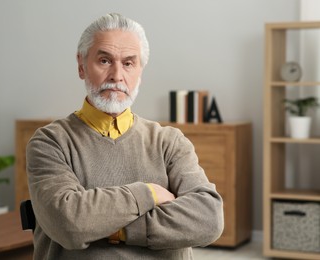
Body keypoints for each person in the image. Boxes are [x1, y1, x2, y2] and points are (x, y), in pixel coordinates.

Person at [26, 13, 224, 260]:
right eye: (105, 61)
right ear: (81, 65)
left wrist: (113, 227)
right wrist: (148, 194)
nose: (117, 76)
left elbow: (208, 218)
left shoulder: (170, 142)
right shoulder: (49, 142)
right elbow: (69, 223)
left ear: (140, 71)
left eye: (128, 63)